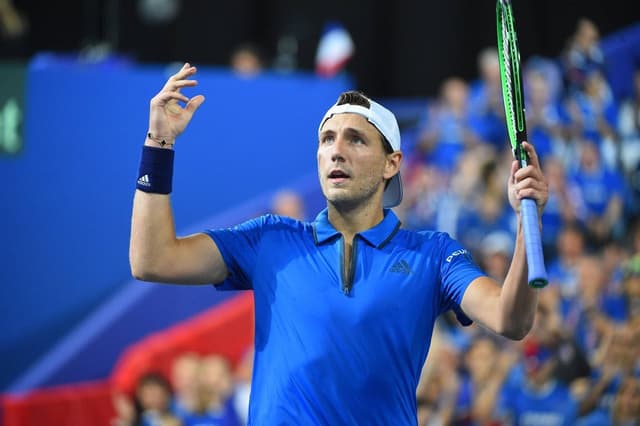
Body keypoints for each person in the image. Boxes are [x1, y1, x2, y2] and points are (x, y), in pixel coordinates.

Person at [129, 62, 549, 424]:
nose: (336, 151)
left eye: (355, 139)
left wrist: (526, 227)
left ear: (392, 163)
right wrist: (158, 144)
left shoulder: (433, 254)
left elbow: (510, 319)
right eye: (327, 139)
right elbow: (153, 260)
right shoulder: (270, 238)